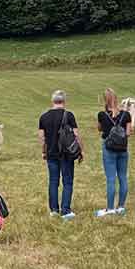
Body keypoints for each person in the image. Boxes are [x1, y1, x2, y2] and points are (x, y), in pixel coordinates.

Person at [38, 90, 83, 220]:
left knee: (53, 181)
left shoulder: (44, 117)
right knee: (67, 181)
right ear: (64, 101)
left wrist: (44, 151)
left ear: (53, 101)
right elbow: (76, 135)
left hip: (51, 153)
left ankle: (53, 210)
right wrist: (81, 151)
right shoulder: (69, 115)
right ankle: (66, 210)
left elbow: (42, 138)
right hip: (67, 154)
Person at [95, 88, 133, 217]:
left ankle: (110, 208)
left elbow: (99, 129)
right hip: (123, 149)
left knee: (111, 179)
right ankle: (121, 207)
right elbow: (128, 132)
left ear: (105, 100)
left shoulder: (101, 114)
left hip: (109, 148)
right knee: (123, 177)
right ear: (116, 99)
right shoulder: (126, 115)